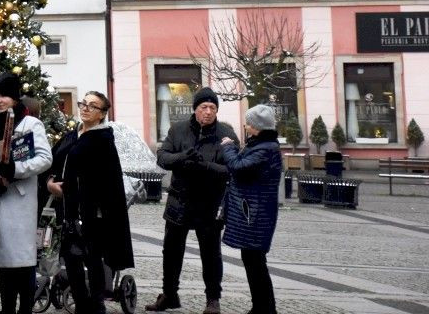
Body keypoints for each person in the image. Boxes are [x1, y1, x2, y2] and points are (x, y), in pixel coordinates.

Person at [147, 87, 238, 314]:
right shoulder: (178, 130)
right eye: (203, 107)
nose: (208, 112)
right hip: (180, 201)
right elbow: (162, 157)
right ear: (195, 109)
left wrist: (205, 166)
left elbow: (232, 168)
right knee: (171, 251)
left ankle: (213, 299)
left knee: (211, 254)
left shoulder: (225, 133)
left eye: (213, 108)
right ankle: (169, 294)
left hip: (209, 204)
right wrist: (182, 158)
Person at [0, 73, 53, 314]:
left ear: (15, 98)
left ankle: (25, 308)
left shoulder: (30, 124)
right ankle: (7, 308)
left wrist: (15, 169)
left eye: (4, 95)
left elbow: (44, 158)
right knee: (4, 262)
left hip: (19, 200)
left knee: (22, 260)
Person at [46, 91, 133, 314]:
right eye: (83, 103)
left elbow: (105, 180)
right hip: (67, 209)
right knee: (71, 257)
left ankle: (96, 305)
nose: (85, 108)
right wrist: (50, 183)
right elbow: (55, 163)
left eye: (92, 106)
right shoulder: (73, 134)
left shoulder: (102, 140)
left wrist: (74, 190)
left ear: (102, 114)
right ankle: (81, 304)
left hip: (91, 212)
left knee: (92, 259)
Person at [220, 105, 282, 314]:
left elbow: (238, 167)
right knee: (252, 260)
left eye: (248, 122)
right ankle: (261, 307)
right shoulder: (261, 145)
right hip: (255, 212)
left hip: (256, 214)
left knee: (255, 262)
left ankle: (265, 309)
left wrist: (228, 147)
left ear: (256, 126)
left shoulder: (265, 149)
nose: (245, 126)